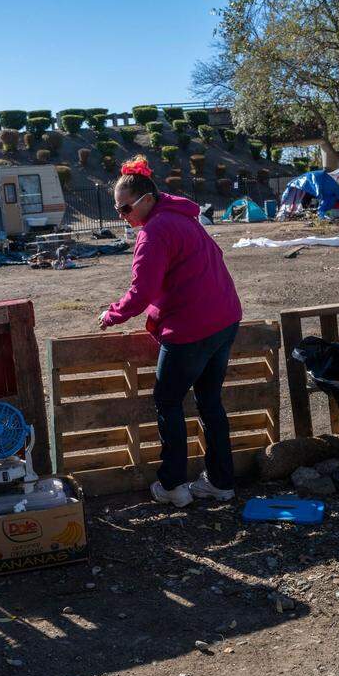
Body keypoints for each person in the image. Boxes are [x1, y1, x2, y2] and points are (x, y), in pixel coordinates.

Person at [98, 155, 243, 507]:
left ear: (146, 199)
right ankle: (221, 482)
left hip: (191, 330)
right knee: (210, 402)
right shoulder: (185, 219)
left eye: (125, 208)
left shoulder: (154, 232)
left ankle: (174, 485)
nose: (123, 217)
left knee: (167, 401)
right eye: (119, 210)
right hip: (224, 320)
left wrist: (112, 315)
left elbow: (142, 291)